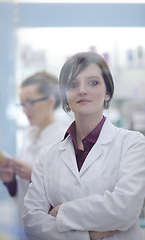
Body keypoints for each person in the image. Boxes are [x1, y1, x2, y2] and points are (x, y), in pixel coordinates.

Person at [22, 52, 145, 240]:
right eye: (73, 84)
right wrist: (86, 236)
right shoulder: (48, 157)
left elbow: (124, 208)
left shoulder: (133, 144)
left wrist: (60, 212)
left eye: (93, 82)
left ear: (108, 92)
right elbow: (32, 223)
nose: (82, 90)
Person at [0, 71, 67, 239]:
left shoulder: (64, 137)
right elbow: (23, 195)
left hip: (56, 231)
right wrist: (10, 181)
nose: (25, 110)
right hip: (30, 230)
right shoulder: (29, 138)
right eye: (22, 104)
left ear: (50, 100)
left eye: (30, 103)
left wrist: (35, 174)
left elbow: (70, 192)